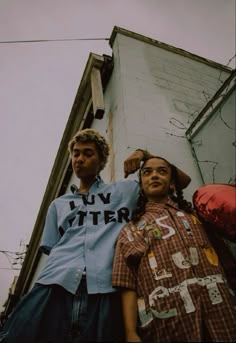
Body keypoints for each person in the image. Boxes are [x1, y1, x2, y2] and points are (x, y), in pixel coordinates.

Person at [0, 129, 149, 343]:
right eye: (76, 154)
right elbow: (52, 248)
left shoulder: (124, 192)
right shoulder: (58, 205)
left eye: (87, 153)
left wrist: (142, 154)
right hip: (55, 285)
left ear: (101, 161)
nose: (79, 159)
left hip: (106, 287)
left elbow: (175, 181)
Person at [112, 155, 236, 342]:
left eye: (162, 171)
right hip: (170, 325)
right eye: (147, 172)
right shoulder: (131, 230)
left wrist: (146, 156)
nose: (154, 175)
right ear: (141, 186)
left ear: (172, 184)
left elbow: (226, 260)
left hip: (221, 313)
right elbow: (126, 283)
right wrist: (130, 332)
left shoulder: (197, 217)